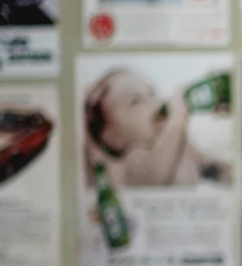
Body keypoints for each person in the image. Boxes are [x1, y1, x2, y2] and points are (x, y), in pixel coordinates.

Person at [83, 67, 231, 188]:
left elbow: (216, 170)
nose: (154, 101)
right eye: (135, 101)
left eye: (151, 93)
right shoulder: (124, 164)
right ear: (112, 136)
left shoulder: (178, 145)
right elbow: (153, 180)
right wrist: (179, 115)